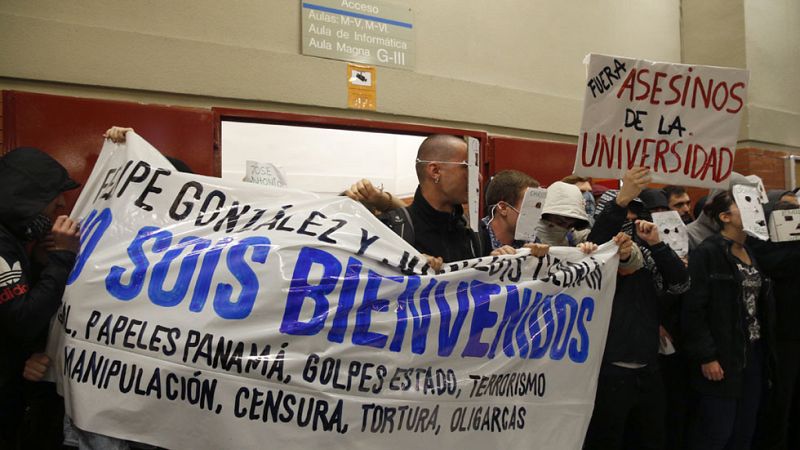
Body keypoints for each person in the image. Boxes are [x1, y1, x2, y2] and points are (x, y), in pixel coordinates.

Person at [584, 171, 690, 450]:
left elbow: (680, 284)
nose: (630, 218)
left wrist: (657, 244)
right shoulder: (592, 255)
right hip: (608, 371)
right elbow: (598, 241)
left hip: (649, 368)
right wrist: (620, 201)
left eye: (635, 211)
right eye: (625, 211)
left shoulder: (647, 256)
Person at [682, 190, 776, 450]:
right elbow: (694, 309)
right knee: (716, 431)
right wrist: (707, 356)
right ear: (725, 217)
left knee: (745, 429)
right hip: (723, 353)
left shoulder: (750, 250)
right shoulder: (708, 253)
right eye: (744, 205)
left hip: (753, 350)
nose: (754, 209)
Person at [0, 147, 81, 449]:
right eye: (53, 195)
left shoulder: (12, 238)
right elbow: (22, 320)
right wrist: (62, 258)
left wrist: (39, 263)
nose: (61, 204)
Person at [379, 135, 483, 269]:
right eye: (468, 167)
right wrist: (409, 265)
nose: (479, 177)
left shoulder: (474, 232)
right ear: (435, 171)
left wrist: (498, 261)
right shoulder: (391, 230)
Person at [748, 191, 800, 450]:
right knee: (780, 402)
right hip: (780, 337)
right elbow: (773, 263)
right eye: (785, 209)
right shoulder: (761, 245)